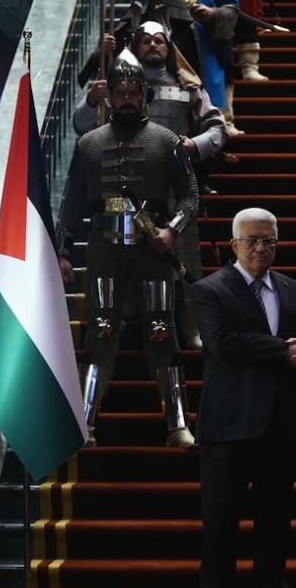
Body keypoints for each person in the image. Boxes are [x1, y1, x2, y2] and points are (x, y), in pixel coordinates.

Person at [56, 50, 200, 447]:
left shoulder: (166, 141)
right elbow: (71, 201)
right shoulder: (89, 144)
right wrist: (64, 250)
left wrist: (171, 231)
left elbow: (191, 198)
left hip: (153, 248)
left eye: (132, 92)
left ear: (143, 95)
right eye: (118, 92)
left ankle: (177, 423)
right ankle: (84, 423)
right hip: (105, 249)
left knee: (161, 331)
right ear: (109, 97)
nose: (125, 98)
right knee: (100, 332)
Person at [192, 207, 296, 588]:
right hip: (227, 428)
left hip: (279, 426)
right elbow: (223, 343)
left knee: (275, 524)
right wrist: (284, 349)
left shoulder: (294, 290)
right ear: (234, 245)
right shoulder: (210, 289)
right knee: (220, 524)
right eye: (253, 241)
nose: (262, 248)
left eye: (269, 241)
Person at [74, 20, 229, 348]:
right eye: (146, 41)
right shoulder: (118, 85)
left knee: (182, 258)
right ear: (137, 45)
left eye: (160, 40)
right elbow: (81, 127)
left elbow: (218, 129)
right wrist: (92, 101)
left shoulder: (187, 86)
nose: (153, 46)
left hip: (173, 188)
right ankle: (122, 327)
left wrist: (194, 146)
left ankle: (189, 324)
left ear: (168, 46)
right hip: (122, 188)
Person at [146, 0, 242, 134]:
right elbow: (142, 7)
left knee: (209, 85)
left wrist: (213, 13)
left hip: (206, 39)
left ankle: (215, 129)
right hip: (169, 41)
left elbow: (231, 7)